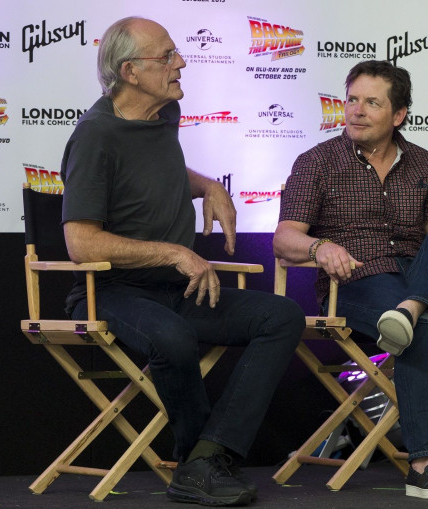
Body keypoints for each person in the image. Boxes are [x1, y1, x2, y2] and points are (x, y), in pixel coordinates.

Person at [60, 17, 305, 507]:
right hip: (113, 292)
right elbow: (81, 244)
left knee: (282, 316)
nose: (182, 63)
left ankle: (206, 457)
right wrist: (174, 252)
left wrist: (209, 185)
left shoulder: (162, 116)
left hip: (175, 291)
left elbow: (157, 173)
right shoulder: (94, 136)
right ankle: (195, 457)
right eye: (168, 56)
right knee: (173, 336)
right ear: (130, 71)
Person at [273, 60, 428, 500]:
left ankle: (410, 311)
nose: (356, 111)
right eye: (352, 100)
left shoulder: (424, 164)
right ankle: (424, 463)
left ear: (398, 115)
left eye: (371, 103)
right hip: (355, 283)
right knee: (417, 329)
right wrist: (321, 248)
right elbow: (284, 239)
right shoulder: (316, 162)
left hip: (415, 278)